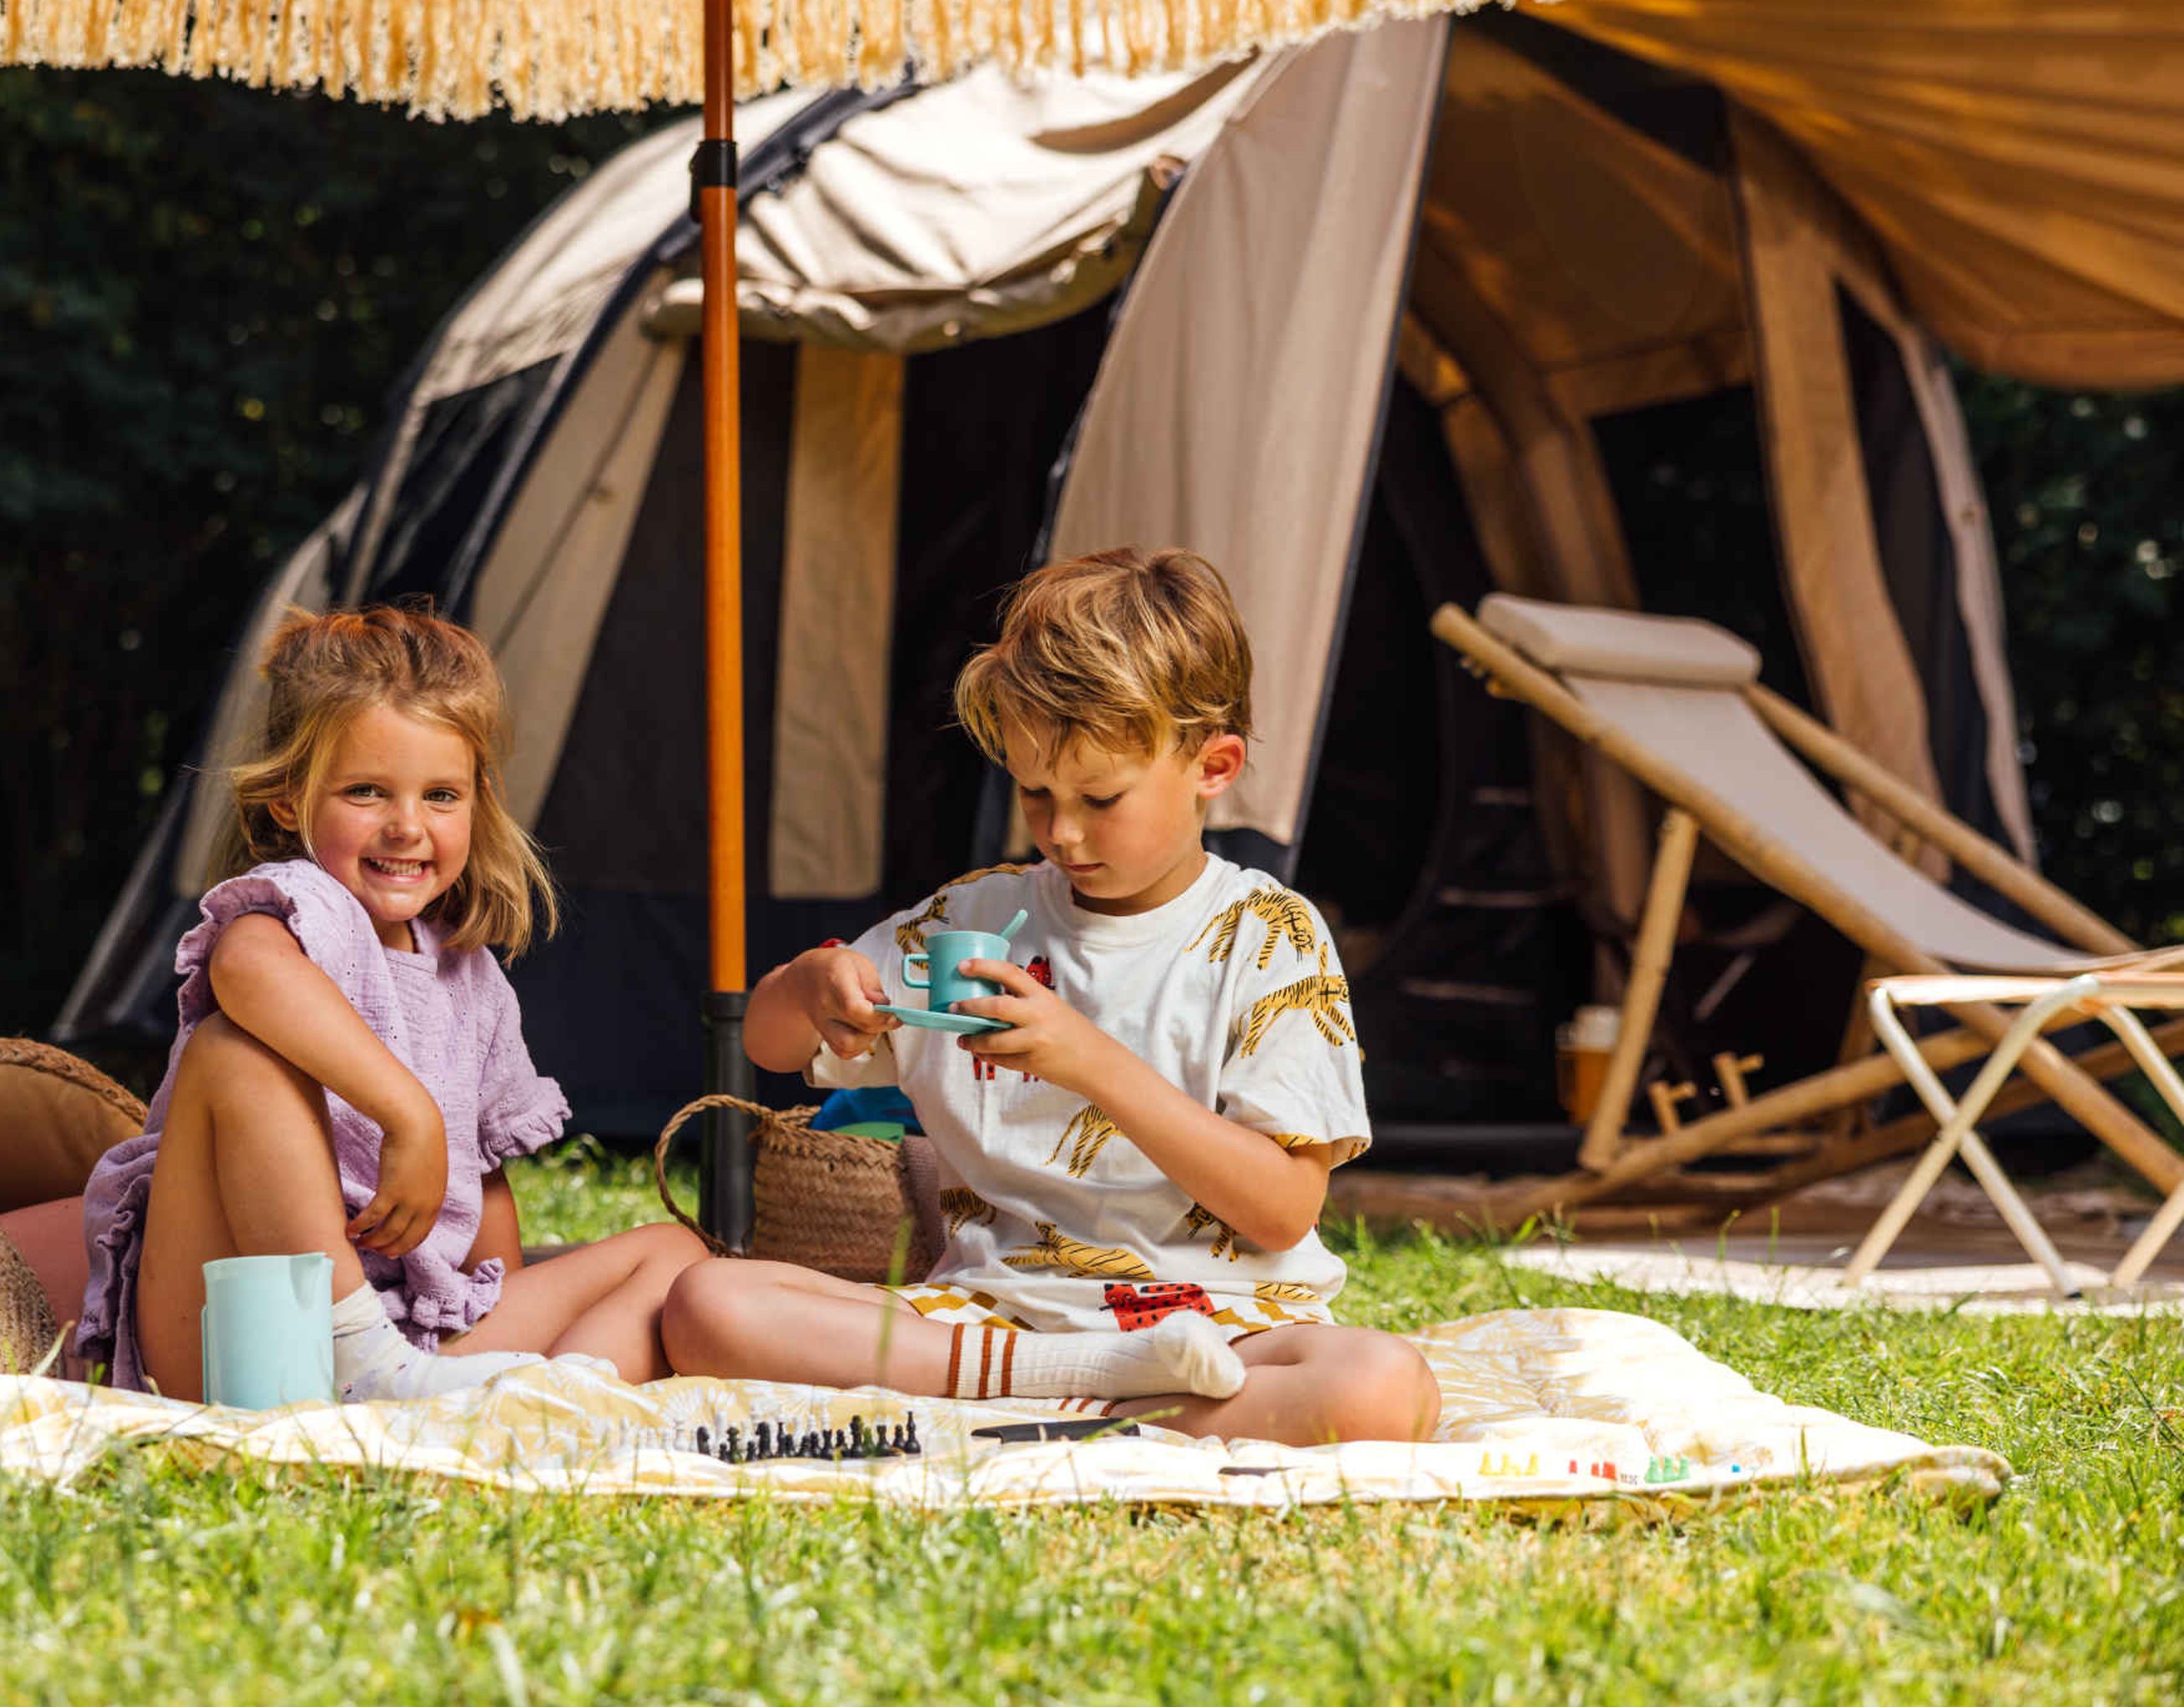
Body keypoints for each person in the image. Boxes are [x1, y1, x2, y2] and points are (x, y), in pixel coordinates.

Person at [660, 549, 1442, 1445]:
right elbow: (769, 1047)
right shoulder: (978, 918)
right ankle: (1096, 1391)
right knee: (710, 1303)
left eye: (1100, 797)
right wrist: (809, 985)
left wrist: (1090, 1062)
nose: (1062, 831)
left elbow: (1281, 1210)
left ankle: (1046, 1399)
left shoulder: (1271, 937)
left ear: (1213, 766)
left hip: (1224, 1324)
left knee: (1383, 1388)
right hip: (994, 1317)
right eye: (1036, 792)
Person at [77, 604, 703, 1402]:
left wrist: (490, 1303)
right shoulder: (307, 906)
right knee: (235, 1050)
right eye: (368, 792)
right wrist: (409, 1114)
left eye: (441, 796)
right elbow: (243, 968)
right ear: (288, 801)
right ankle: (355, 1355)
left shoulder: (468, 976)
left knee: (674, 1256)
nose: (408, 826)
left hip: (407, 1337)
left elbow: (485, 1186)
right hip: (238, 1324)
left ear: (477, 804)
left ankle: (550, 1402)